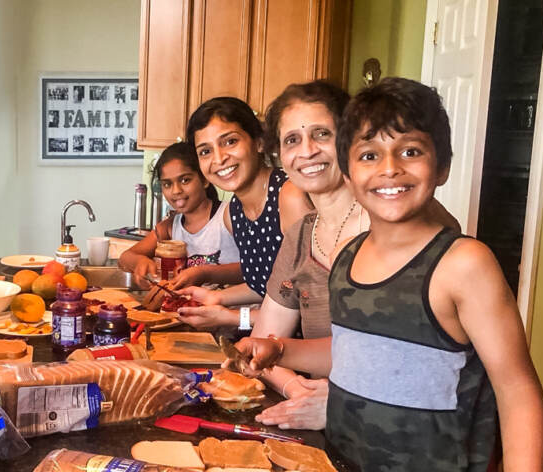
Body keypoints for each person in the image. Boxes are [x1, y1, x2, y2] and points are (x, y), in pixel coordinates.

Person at [234, 78, 543, 472]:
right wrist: (281, 347)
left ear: (442, 165)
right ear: (350, 173)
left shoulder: (462, 264)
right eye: (371, 155)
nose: (390, 169)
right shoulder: (351, 256)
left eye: (411, 151)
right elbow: (357, 356)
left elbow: (518, 389)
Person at [178, 81, 459, 429]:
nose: (307, 151)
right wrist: (296, 387)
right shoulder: (300, 237)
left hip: (407, 433)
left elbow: (420, 359)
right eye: (292, 140)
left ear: (348, 141)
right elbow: (267, 343)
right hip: (327, 417)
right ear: (280, 152)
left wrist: (341, 401)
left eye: (321, 134)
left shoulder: (395, 218)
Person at [174, 96, 311, 309]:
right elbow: (262, 287)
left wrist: (232, 317)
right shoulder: (233, 214)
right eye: (205, 151)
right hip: (267, 335)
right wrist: (215, 299)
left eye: (230, 141)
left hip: (304, 339)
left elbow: (306, 297)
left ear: (258, 142)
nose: (219, 159)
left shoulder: (289, 196)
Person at [119, 142, 240, 289]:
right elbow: (125, 258)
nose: (176, 191)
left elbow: (258, 267)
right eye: (167, 184)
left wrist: (205, 272)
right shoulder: (168, 227)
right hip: (190, 311)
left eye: (185, 180)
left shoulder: (229, 215)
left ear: (204, 179)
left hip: (237, 310)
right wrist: (139, 261)